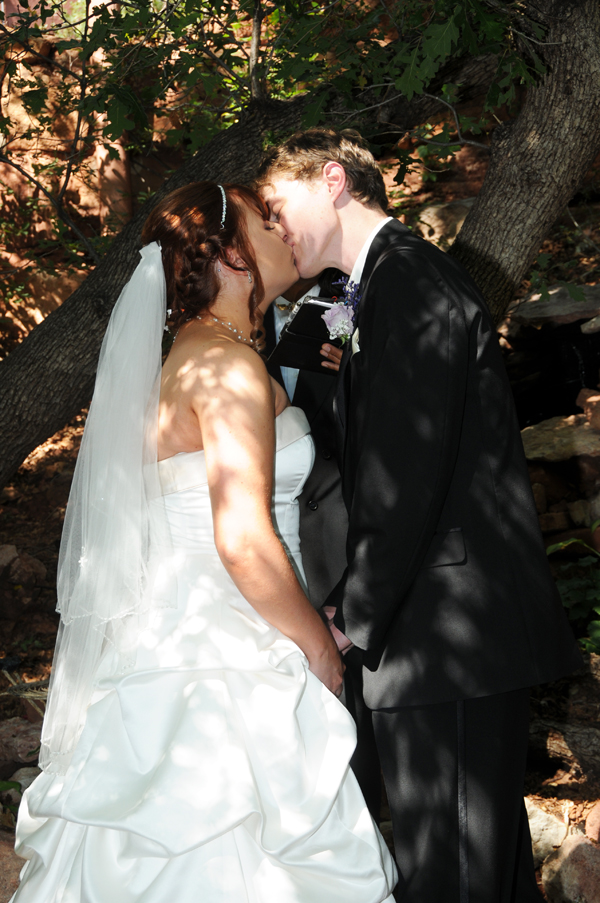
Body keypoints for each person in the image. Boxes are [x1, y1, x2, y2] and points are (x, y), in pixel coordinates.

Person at [11, 181, 397, 903]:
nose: (283, 228)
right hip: (229, 642)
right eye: (265, 222)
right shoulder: (223, 368)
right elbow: (243, 540)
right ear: (230, 255)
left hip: (191, 625)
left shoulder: (199, 354)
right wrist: (318, 645)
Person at [256, 129, 584, 903]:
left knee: (454, 879)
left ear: (331, 181)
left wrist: (348, 616)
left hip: (450, 635)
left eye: (277, 207)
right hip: (433, 631)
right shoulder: (381, 286)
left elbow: (409, 476)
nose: (272, 228)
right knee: (488, 877)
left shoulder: (413, 284)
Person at [265, 272, 382, 819]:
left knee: (347, 692)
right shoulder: (230, 322)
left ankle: (363, 819)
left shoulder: (355, 294)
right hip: (267, 538)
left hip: (343, 527)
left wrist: (361, 376)